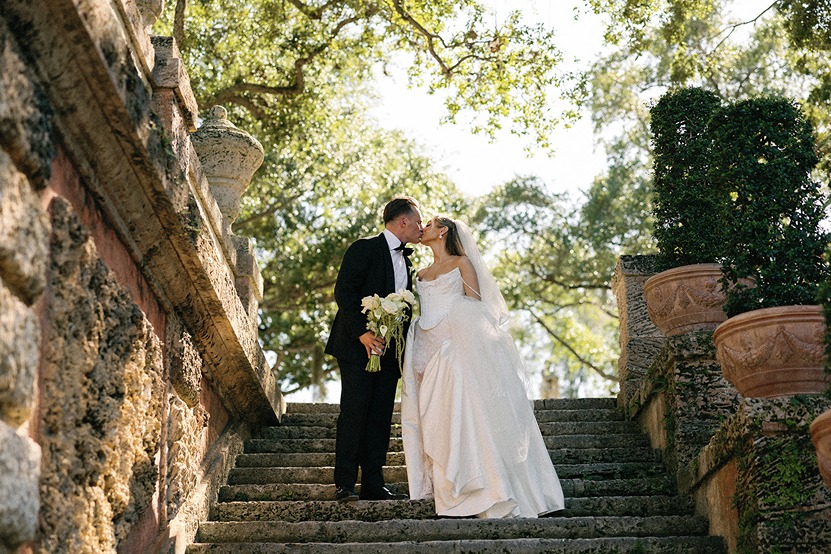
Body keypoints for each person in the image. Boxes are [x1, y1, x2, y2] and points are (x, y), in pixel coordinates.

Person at [401, 216, 565, 518]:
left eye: (430, 223)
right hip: (424, 348)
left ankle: (485, 491)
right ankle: (448, 492)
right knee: (433, 417)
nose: (422, 228)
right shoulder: (420, 273)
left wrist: (456, 336)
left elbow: (476, 309)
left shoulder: (462, 264)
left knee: (464, 414)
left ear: (443, 231)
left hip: (455, 350)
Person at [325, 196, 423, 501]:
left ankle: (373, 483)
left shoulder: (407, 261)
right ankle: (344, 484)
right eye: (418, 221)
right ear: (403, 221)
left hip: (390, 354)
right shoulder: (363, 247)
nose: (421, 227)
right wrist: (364, 335)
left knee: (380, 417)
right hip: (357, 348)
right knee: (354, 413)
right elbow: (344, 291)